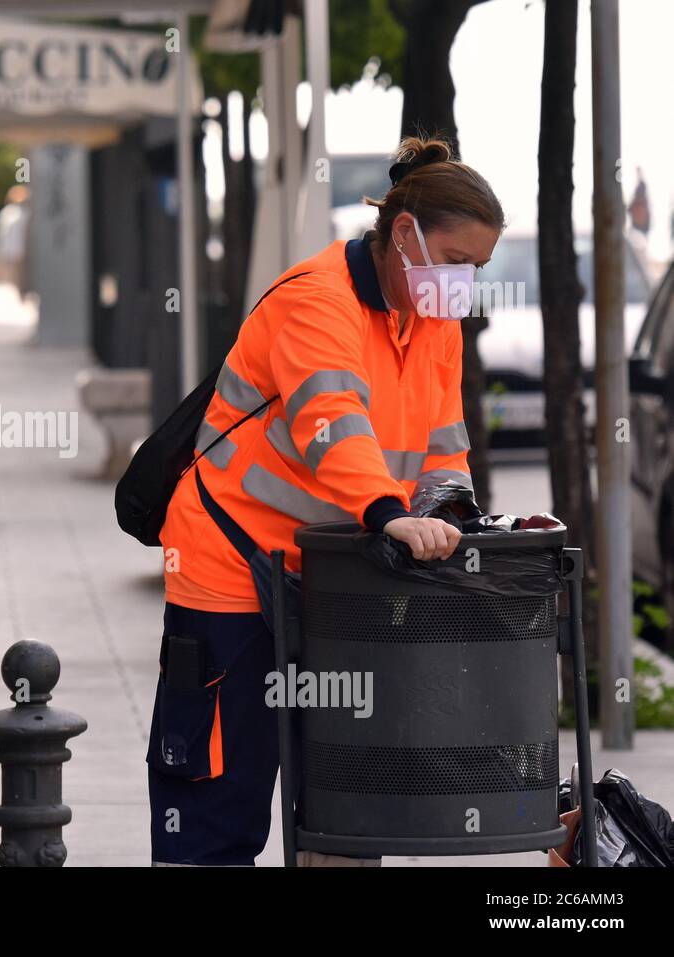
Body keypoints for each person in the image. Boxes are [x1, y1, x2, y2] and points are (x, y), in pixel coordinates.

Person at [148, 136, 504, 867]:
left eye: (478, 269)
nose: (464, 283)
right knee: (220, 793)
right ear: (404, 233)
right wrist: (386, 511)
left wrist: (449, 512)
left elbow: (443, 439)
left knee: (350, 796)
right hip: (233, 567)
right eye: (458, 261)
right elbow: (330, 419)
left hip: (338, 568)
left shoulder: (433, 319)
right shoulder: (316, 300)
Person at [0, 185, 32, 302]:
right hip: (15, 250)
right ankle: (22, 293)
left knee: (21, 275)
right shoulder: (11, 213)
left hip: (19, 250)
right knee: (18, 275)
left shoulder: (19, 213)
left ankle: (23, 293)